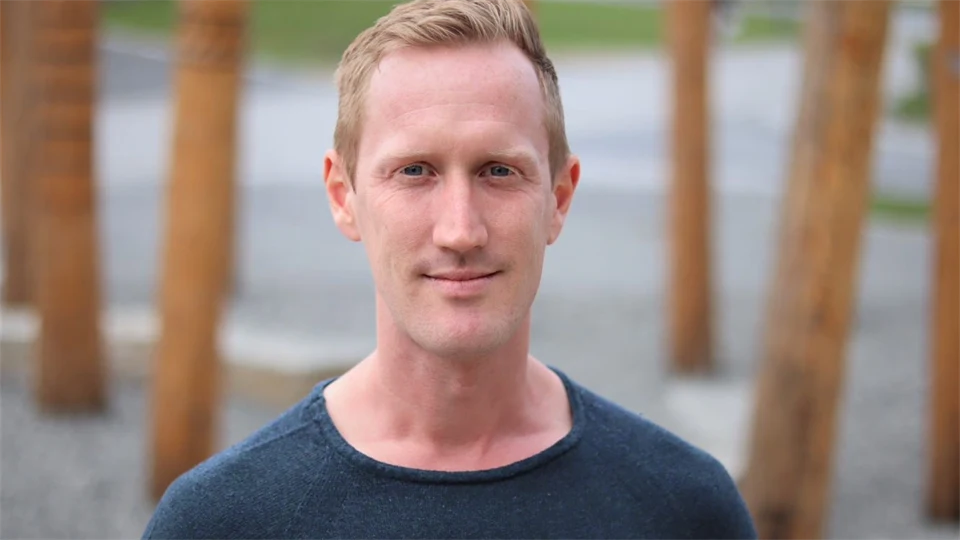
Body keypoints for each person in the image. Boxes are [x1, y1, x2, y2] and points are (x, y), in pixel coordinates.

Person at [142, 0, 757, 538]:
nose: (460, 230)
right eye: (415, 171)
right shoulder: (222, 521)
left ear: (559, 200)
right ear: (343, 196)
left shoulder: (685, 509)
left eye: (498, 170)